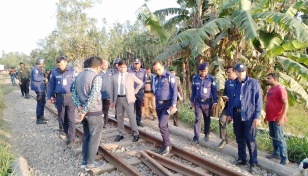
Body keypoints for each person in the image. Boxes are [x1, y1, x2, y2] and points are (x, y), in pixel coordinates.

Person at [226, 63, 262, 173]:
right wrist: (229, 114)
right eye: (238, 71)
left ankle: (253, 162)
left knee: (250, 139)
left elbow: (259, 101)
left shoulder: (254, 83)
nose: (240, 73)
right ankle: (242, 158)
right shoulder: (233, 84)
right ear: (235, 72)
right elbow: (231, 101)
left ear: (246, 72)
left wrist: (257, 117)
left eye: (242, 71)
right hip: (236, 114)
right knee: (239, 137)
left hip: (249, 116)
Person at [71, 56, 105, 170]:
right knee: (94, 137)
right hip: (94, 113)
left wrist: (80, 108)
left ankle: (84, 161)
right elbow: (94, 96)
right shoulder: (97, 77)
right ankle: (90, 164)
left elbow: (74, 93)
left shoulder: (78, 76)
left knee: (86, 136)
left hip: (84, 113)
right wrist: (84, 110)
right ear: (98, 66)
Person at [110, 60, 143, 142]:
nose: (123, 69)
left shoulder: (131, 75)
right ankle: (120, 134)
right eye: (121, 67)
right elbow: (112, 90)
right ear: (118, 67)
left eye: (124, 67)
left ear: (126, 67)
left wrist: (134, 92)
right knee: (120, 117)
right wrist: (112, 101)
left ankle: (136, 133)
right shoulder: (114, 77)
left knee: (131, 117)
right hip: (118, 99)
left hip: (128, 99)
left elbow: (140, 83)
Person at [47, 56, 76, 145]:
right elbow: (51, 85)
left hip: (70, 97)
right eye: (59, 65)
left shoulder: (72, 71)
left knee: (71, 118)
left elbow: (76, 84)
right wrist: (49, 97)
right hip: (59, 98)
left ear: (66, 63)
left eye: (62, 65)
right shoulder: (54, 72)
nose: (60, 67)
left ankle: (72, 138)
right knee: (62, 117)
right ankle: (66, 133)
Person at [152, 61, 178, 156]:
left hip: (167, 104)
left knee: (162, 125)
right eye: (155, 70)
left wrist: (174, 105)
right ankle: (164, 144)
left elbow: (174, 91)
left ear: (163, 67)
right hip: (159, 104)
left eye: (159, 69)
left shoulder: (170, 76)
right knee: (164, 126)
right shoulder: (155, 78)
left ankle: (168, 146)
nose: (157, 71)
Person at [264, 73, 289, 165]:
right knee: (273, 136)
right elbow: (269, 103)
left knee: (279, 138)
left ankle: (284, 158)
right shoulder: (270, 89)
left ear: (274, 79)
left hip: (278, 118)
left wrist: (282, 117)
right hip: (271, 117)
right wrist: (266, 116)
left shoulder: (280, 89)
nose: (267, 79)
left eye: (269, 78)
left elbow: (286, 104)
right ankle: (276, 153)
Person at [190, 62, 218, 143]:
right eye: (202, 71)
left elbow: (214, 90)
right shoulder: (195, 78)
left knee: (207, 119)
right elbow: (193, 90)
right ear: (199, 71)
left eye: (205, 71)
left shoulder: (211, 79)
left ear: (207, 70)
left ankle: (206, 134)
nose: (204, 73)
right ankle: (196, 137)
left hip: (207, 102)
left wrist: (215, 101)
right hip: (198, 102)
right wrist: (192, 101)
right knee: (198, 119)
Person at [217, 66, 237, 149]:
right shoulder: (227, 82)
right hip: (228, 106)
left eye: (229, 72)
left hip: (236, 107)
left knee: (237, 126)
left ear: (235, 72)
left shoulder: (239, 82)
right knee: (222, 120)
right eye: (227, 72)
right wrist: (224, 97)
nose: (227, 74)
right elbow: (224, 92)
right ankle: (224, 139)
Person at [30, 58, 49, 124]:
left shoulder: (38, 68)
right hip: (38, 88)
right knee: (40, 104)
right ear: (40, 63)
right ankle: (39, 119)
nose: (43, 65)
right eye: (42, 63)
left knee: (43, 102)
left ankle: (42, 116)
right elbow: (35, 78)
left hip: (41, 88)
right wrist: (44, 78)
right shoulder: (35, 69)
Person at [129, 58, 146, 127]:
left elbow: (144, 81)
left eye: (137, 63)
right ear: (133, 64)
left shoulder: (143, 71)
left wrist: (141, 87)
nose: (136, 65)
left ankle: (138, 121)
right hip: (131, 91)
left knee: (139, 107)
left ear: (140, 64)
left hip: (140, 92)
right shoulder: (129, 71)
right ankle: (132, 122)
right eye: (135, 63)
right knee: (131, 107)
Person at [99, 59, 112, 127]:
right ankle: (100, 122)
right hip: (100, 94)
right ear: (101, 65)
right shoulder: (98, 73)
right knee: (100, 109)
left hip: (107, 95)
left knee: (106, 109)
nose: (106, 66)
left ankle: (105, 122)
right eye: (104, 65)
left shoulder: (110, 72)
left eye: (107, 65)